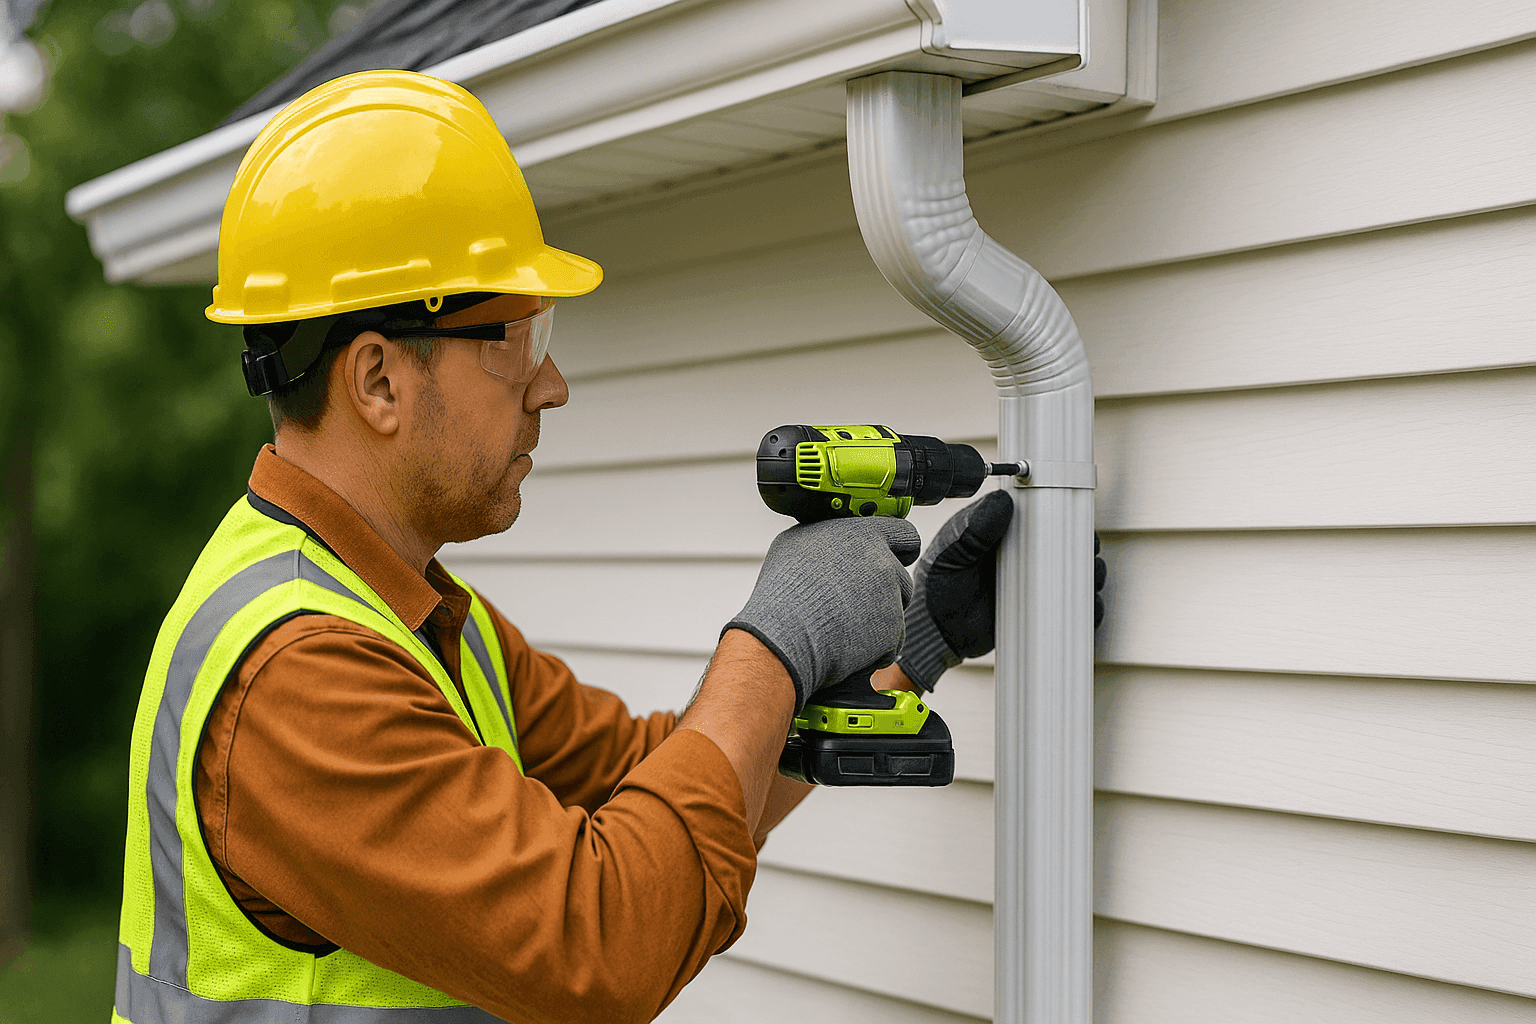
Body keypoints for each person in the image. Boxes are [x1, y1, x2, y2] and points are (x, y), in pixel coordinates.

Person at [109, 70, 1027, 1024]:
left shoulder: (414, 617)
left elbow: (665, 784)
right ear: (377, 379)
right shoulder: (300, 676)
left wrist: (911, 641)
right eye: (512, 335)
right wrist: (778, 639)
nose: (550, 383)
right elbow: (604, 942)